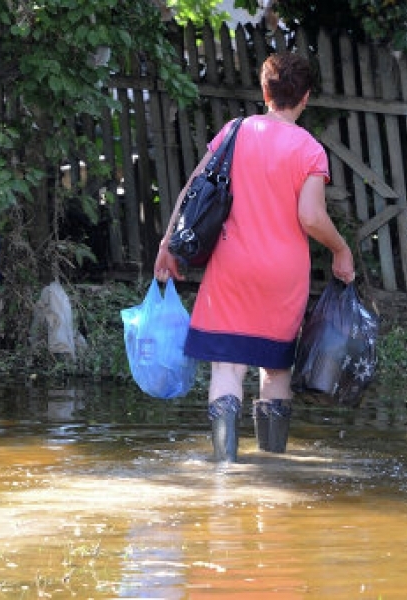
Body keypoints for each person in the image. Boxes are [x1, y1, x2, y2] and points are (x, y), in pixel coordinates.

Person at [154, 52, 356, 463]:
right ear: (306, 98)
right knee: (276, 371)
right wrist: (341, 248)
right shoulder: (310, 150)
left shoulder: (234, 131)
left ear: (265, 92)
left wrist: (166, 244)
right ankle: (272, 466)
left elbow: (193, 189)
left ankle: (225, 468)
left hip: (231, 267)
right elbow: (311, 217)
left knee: (227, 368)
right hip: (283, 275)